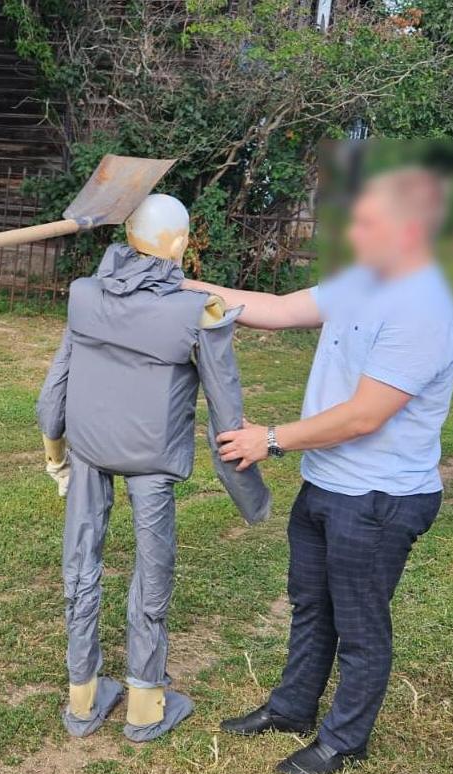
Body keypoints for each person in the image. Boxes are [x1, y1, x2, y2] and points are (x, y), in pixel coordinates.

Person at [183, 167, 453, 774]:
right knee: (311, 605)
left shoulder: (425, 309)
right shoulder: (364, 280)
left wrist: (270, 440)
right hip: (328, 484)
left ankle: (344, 741)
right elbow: (275, 309)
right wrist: (177, 285)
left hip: (380, 498)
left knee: (359, 626)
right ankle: (291, 709)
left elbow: (364, 416)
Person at [37, 194, 270, 743]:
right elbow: (227, 416)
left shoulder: (83, 295)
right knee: (151, 569)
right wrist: (249, 496)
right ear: (181, 246)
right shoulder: (199, 313)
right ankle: (144, 704)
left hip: (90, 451)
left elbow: (54, 391)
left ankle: (84, 697)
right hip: (153, 461)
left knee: (81, 564)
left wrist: (55, 454)